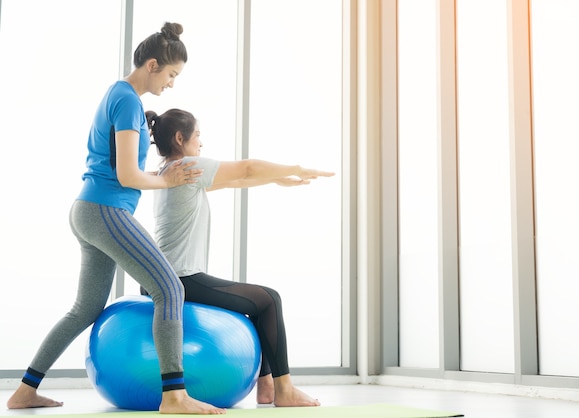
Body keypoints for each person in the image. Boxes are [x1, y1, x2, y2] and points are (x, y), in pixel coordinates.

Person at [7, 23, 226, 415]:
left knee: (85, 308)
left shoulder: (122, 98)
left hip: (91, 210)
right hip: (104, 210)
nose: (172, 84)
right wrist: (167, 179)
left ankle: (25, 390)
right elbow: (127, 176)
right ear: (153, 64)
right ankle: (174, 396)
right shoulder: (126, 99)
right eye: (171, 75)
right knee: (170, 290)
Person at [142, 108, 334, 407]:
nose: (201, 144)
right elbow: (245, 169)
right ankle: (284, 390)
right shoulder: (188, 164)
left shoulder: (171, 170)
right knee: (268, 300)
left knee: (260, 303)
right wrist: (295, 167)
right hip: (180, 278)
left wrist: (276, 179)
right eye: (198, 136)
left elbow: (235, 181)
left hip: (167, 277)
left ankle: (268, 388)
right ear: (181, 139)